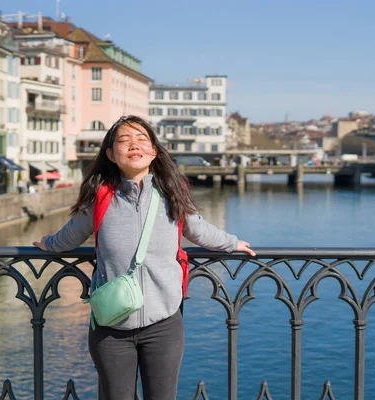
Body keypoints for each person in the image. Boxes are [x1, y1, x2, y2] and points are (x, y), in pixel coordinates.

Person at [33, 115, 255, 400]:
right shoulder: (100, 195)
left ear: (154, 151)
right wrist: (47, 243)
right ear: (111, 154)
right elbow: (70, 236)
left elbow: (198, 230)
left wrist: (232, 243)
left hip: (163, 323)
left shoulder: (173, 192)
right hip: (110, 325)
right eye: (124, 140)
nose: (133, 145)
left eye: (141, 139)